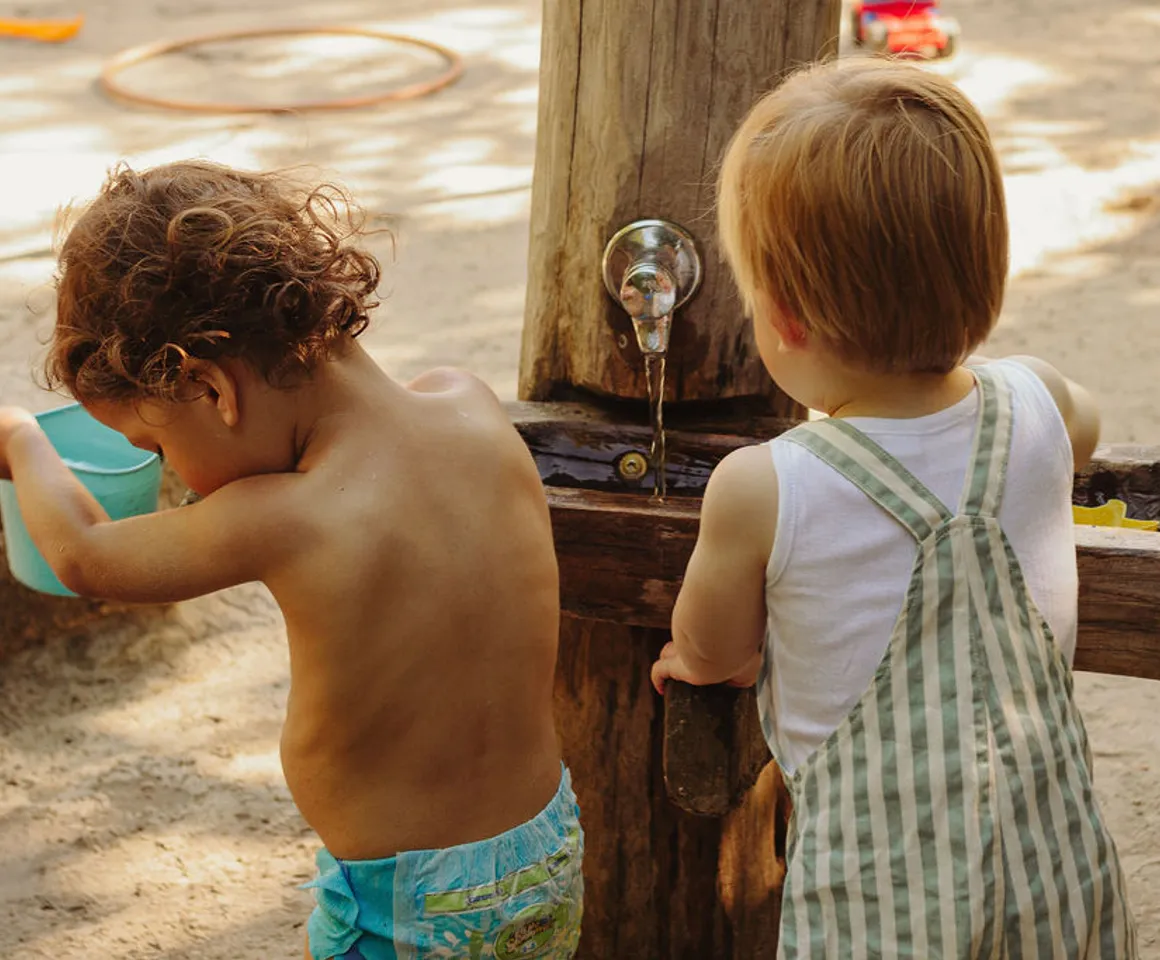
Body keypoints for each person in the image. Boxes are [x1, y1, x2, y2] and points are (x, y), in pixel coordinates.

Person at [0, 160, 583, 960]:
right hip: (545, 857)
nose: (170, 473)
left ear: (209, 388)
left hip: (406, 911)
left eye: (158, 445)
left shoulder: (292, 516)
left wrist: (19, 441)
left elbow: (85, 555)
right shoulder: (469, 405)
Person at [650, 59, 1137, 957]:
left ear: (784, 319)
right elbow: (1084, 431)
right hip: (1054, 879)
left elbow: (715, 650)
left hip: (880, 912)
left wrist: (689, 652)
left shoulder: (766, 485)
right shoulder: (1037, 401)